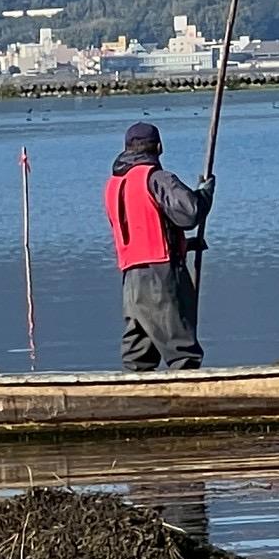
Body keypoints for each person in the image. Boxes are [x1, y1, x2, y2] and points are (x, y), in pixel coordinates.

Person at [105, 121, 214, 371]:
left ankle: (137, 397)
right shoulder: (156, 178)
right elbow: (189, 214)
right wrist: (205, 193)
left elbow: (144, 228)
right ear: (159, 147)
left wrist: (187, 245)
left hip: (131, 277)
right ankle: (189, 398)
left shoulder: (114, 185)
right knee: (182, 349)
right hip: (161, 275)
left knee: (138, 353)